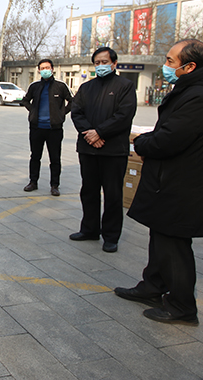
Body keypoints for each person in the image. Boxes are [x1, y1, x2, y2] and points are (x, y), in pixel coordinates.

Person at [115, 39, 203, 326]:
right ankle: (153, 286)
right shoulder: (192, 90)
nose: (165, 66)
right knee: (161, 238)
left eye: (170, 61)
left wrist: (142, 142)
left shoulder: (202, 97)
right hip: (170, 180)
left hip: (184, 186)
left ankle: (182, 307)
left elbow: (170, 139)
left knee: (174, 245)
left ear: (189, 67)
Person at [70, 47, 136, 253]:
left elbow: (124, 115)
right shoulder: (86, 88)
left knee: (113, 194)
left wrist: (99, 132)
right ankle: (89, 229)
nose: (101, 66)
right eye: (97, 63)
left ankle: (111, 236)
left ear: (114, 64)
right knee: (88, 191)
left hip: (113, 150)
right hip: (88, 149)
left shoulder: (125, 86)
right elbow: (76, 112)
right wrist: (90, 135)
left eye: (104, 62)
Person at [22, 59, 73, 196]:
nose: (45, 70)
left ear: (52, 69)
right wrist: (33, 111)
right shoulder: (35, 86)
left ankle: (55, 185)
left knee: (55, 158)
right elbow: (25, 100)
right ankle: (33, 182)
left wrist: (61, 113)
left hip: (54, 129)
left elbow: (72, 101)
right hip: (36, 128)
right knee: (35, 156)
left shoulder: (60, 86)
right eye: (42, 68)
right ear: (39, 70)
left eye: (47, 67)